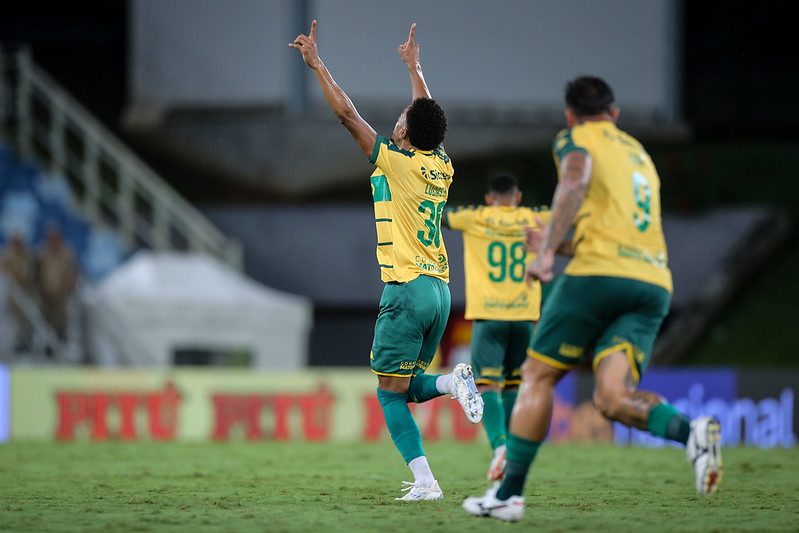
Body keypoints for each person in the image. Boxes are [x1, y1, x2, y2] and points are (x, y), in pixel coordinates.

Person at [463, 76, 722, 522]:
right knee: (611, 398)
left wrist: (545, 254)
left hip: (600, 277)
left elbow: (575, 180)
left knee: (537, 376)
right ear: (615, 114)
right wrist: (557, 242)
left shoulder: (575, 138)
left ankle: (509, 494)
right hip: (653, 283)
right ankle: (691, 432)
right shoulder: (640, 156)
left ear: (569, 115)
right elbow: (610, 229)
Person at [290, 21, 483, 501]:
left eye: (401, 116)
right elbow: (426, 118)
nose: (400, 115)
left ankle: (425, 482)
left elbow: (347, 115)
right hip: (439, 290)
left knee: (387, 392)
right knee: (408, 384)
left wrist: (318, 65)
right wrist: (416, 68)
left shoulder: (395, 161)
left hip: (408, 289)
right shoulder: (441, 165)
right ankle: (452, 384)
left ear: (402, 131)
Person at [443, 173, 553, 481]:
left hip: (489, 316)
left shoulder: (474, 216)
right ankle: (514, 449)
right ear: (517, 198)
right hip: (524, 318)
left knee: (487, 385)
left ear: (489, 199)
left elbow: (437, 213)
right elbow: (566, 212)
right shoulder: (536, 216)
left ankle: (500, 447)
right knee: (516, 385)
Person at [36, 223, 78, 342]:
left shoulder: (66, 254)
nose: (52, 241)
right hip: (46, 293)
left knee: (61, 320)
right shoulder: (42, 254)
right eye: (50, 238)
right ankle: (48, 344)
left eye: (55, 238)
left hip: (62, 293)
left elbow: (73, 271)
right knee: (46, 319)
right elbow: (37, 273)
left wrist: (71, 282)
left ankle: (61, 339)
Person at [0, 232, 36, 351]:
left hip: (24, 296)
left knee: (25, 324)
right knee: (10, 325)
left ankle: (23, 346)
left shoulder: (27, 257)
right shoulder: (6, 256)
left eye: (18, 242)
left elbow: (29, 276)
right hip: (10, 298)